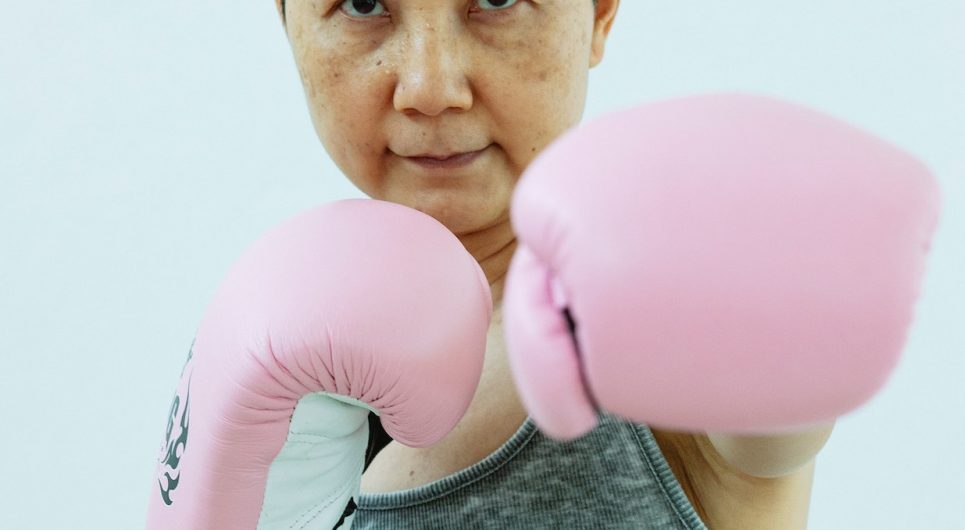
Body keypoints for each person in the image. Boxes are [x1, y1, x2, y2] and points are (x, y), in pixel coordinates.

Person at [274, 1, 834, 528]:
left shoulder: (646, 320)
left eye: (496, 0)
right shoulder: (278, 351)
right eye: (364, 3)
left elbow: (778, 399)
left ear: (599, 12)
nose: (430, 88)